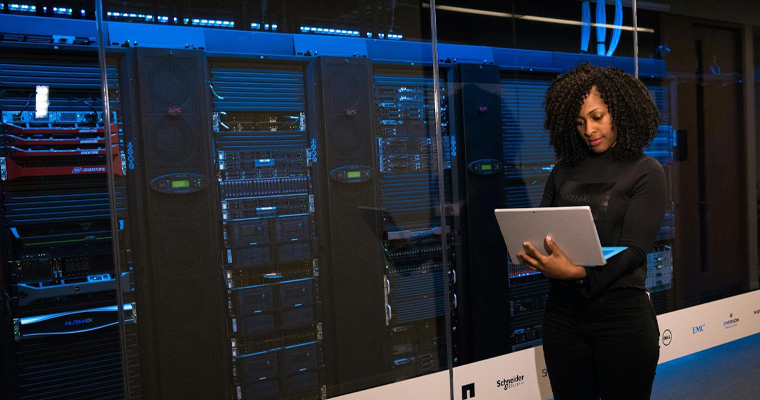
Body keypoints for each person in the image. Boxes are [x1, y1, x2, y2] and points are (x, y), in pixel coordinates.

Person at [516, 63, 665, 400]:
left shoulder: (646, 170)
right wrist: (535, 254)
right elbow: (544, 230)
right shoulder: (562, 171)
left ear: (620, 112)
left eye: (597, 117)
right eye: (580, 121)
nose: (589, 129)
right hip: (563, 318)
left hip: (622, 317)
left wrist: (578, 273)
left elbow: (634, 249)